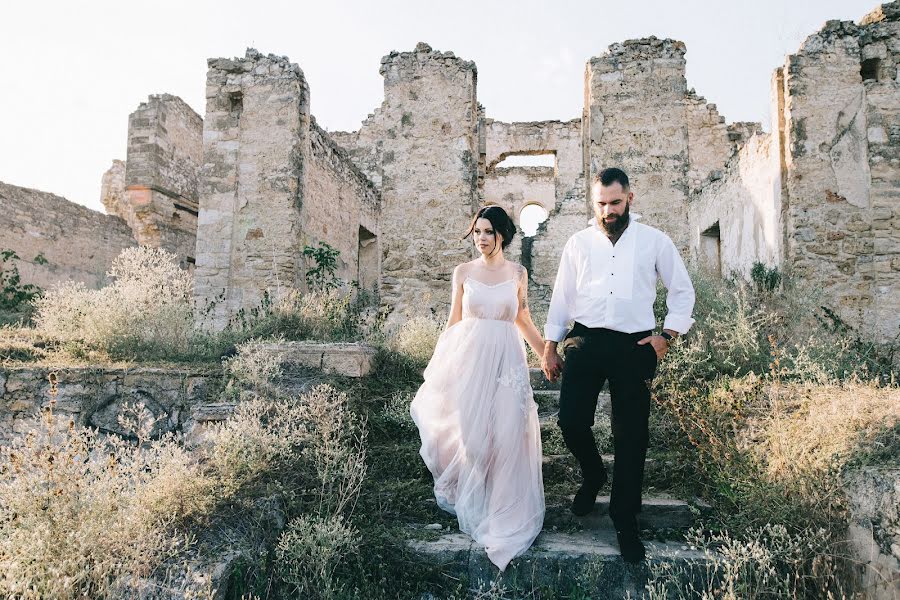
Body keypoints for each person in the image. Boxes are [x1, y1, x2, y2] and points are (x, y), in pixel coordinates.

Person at [540, 167, 695, 563]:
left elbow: (681, 290)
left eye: (615, 202)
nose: (608, 211)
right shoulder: (578, 243)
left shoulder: (654, 241)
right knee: (571, 422)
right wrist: (550, 346)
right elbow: (562, 296)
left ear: (630, 198)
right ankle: (593, 474)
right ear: (594, 202)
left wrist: (667, 335)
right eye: (601, 204)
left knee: (632, 436)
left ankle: (624, 518)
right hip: (586, 339)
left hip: (634, 344)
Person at [410, 205, 546, 571]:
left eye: (488, 232)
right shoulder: (463, 272)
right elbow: (454, 320)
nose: (481, 239)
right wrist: (439, 366)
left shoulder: (518, 272)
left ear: (502, 234)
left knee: (507, 434)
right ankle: (477, 502)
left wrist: (547, 354)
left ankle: (504, 512)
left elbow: (522, 318)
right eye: (477, 232)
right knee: (474, 438)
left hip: (507, 363)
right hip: (470, 361)